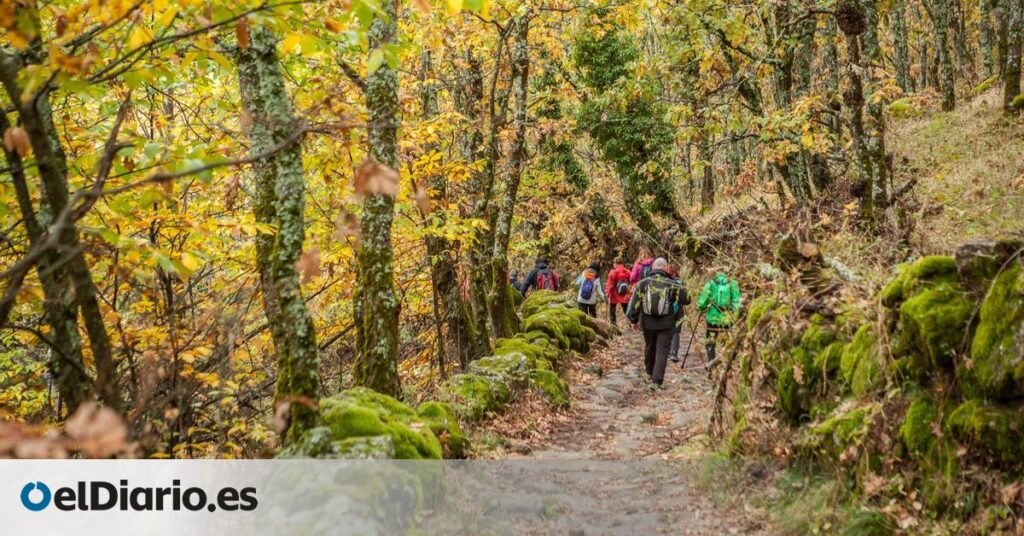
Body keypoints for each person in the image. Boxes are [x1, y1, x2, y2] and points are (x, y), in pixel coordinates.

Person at [626, 258, 689, 388]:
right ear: (665, 268)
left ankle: (649, 372)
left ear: (653, 268)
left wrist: (634, 320)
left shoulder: (644, 283)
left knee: (650, 346)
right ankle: (657, 380)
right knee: (662, 350)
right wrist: (680, 286)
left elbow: (634, 303)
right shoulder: (671, 283)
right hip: (666, 324)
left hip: (647, 323)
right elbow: (686, 299)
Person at [696, 270, 742, 365]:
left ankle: (711, 366)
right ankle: (726, 366)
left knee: (710, 342)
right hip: (727, 319)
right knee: (727, 343)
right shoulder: (733, 283)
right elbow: (737, 303)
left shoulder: (711, 283)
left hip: (713, 319)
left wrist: (702, 308)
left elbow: (701, 303)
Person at [666, 264, 685, 363]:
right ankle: (673, 353)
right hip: (679, 310)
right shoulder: (680, 283)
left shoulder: (665, 282)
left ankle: (669, 352)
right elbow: (685, 298)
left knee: (668, 330)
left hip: (668, 310)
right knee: (676, 331)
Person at [605, 259, 632, 325]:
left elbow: (609, 285)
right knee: (626, 310)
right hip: (624, 294)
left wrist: (607, 294)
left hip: (614, 294)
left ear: (615, 263)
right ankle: (633, 323)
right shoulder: (627, 271)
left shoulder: (613, 272)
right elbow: (631, 280)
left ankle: (613, 325)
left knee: (612, 311)